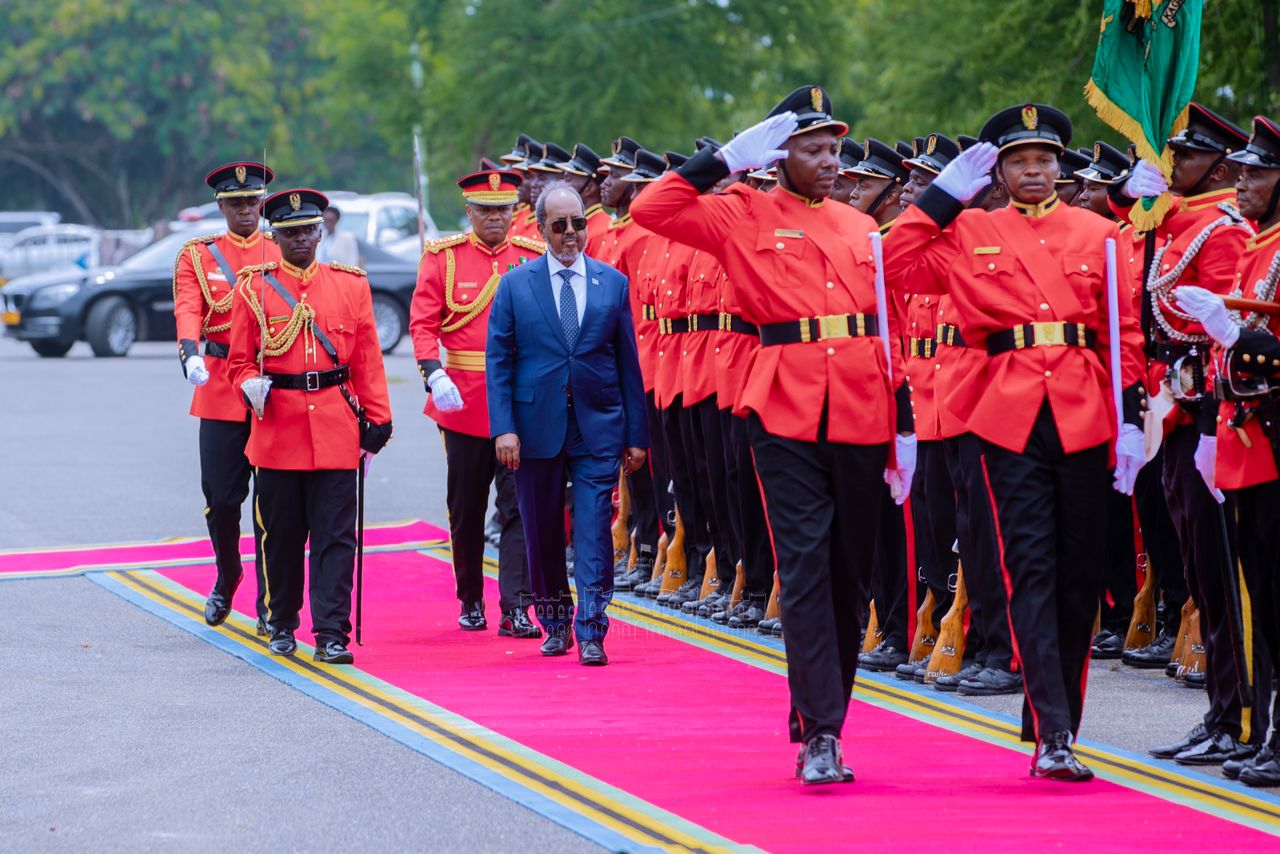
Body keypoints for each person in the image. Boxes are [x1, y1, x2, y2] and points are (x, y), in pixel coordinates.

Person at [633, 85, 915, 785]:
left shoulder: (860, 228)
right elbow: (651, 209)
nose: (829, 160)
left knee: (851, 571)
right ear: (780, 154)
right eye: (813, 148)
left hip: (859, 405)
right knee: (808, 565)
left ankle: (819, 707)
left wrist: (902, 423)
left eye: (834, 149)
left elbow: (891, 323)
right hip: (783, 404)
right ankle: (823, 732)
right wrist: (723, 158)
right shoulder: (741, 211)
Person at [884, 103, 1147, 781]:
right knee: (1027, 567)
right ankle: (1054, 732)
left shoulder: (1100, 233)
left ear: (1061, 168)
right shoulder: (971, 228)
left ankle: (1054, 710)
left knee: (1078, 573)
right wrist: (943, 196)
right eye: (1020, 161)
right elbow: (892, 262)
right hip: (1005, 415)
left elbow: (1125, 335)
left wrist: (1132, 420)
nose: (1034, 171)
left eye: (1045, 160)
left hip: (1085, 412)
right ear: (997, 171)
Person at [1117, 104, 1265, 766]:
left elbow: (1216, 326)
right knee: (1202, 572)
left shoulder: (1224, 230)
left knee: (1222, 577)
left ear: (1220, 165)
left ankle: (1238, 714)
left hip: (1211, 414)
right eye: (1172, 153)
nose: (1174, 164)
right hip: (1176, 410)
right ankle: (1218, 714)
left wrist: (1202, 409)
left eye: (1187, 156)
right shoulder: (1180, 226)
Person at [227, 189, 393, 664]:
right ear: (273, 236)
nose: (301, 239)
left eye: (308, 230)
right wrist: (249, 384)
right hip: (278, 429)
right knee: (281, 537)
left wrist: (378, 417)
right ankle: (281, 622)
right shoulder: (253, 287)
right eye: (290, 232)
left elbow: (367, 358)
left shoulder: (350, 285)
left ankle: (331, 632)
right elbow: (238, 361)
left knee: (337, 537)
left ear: (321, 232)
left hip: (337, 427)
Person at [486, 182, 648, 666]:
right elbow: (499, 361)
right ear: (541, 230)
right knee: (541, 529)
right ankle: (555, 622)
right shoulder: (517, 284)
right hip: (535, 427)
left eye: (578, 222)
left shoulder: (611, 283)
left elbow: (628, 364)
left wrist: (637, 436)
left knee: (596, 526)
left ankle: (592, 629)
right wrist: (504, 428)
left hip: (598, 425)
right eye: (560, 225)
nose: (572, 233)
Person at [1172, 113, 1280, 786]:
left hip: (1272, 440)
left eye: (1258, 171)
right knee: (1259, 598)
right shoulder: (1257, 246)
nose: (1241, 180)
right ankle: (1260, 727)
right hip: (1244, 442)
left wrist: (1240, 338)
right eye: (1238, 169)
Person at [409, 168, 547, 637]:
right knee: (466, 509)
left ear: (515, 211)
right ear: (469, 212)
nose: (494, 219)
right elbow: (423, 324)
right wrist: (434, 372)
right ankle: (470, 597)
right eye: (485, 211)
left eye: (502, 210)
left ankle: (515, 607)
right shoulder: (444, 259)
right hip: (463, 400)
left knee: (518, 507)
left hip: (518, 400)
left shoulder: (532, 257)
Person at [173, 161, 279, 632]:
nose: (245, 211)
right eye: (235, 203)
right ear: (221, 206)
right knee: (220, 497)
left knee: (273, 501)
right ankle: (228, 570)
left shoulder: (280, 250)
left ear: (261, 203)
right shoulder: (198, 255)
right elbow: (188, 307)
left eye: (251, 202)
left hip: (272, 382)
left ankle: (269, 598)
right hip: (218, 384)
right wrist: (189, 354)